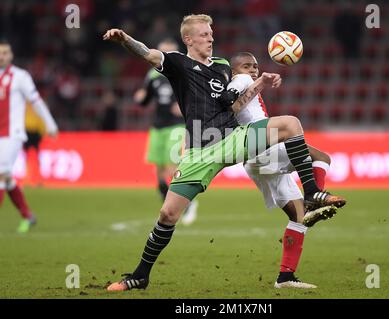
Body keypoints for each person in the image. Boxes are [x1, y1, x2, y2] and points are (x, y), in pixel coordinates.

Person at [103, 14, 346, 291]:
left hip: (232, 137)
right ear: (189, 39)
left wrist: (259, 84)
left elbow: (234, 106)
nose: (211, 38)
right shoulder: (177, 63)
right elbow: (147, 53)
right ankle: (140, 276)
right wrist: (124, 40)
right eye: (205, 34)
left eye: (211, 33)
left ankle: (312, 192)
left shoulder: (221, 67)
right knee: (167, 214)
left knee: (290, 124)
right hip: (199, 149)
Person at [227, 51, 336, 288]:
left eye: (255, 66)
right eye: (247, 66)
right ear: (235, 70)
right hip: (263, 147)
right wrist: (244, 83)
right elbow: (233, 94)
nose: (253, 71)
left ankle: (285, 278)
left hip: (253, 160)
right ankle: (315, 193)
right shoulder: (242, 80)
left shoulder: (250, 83)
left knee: (298, 217)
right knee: (321, 156)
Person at [134, 38, 198, 226]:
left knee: (171, 168)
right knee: (160, 173)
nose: (165, 57)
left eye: (170, 53)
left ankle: (189, 203)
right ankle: (168, 210)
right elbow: (145, 100)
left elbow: (198, 96)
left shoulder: (184, 73)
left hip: (177, 126)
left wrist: (185, 107)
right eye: (162, 53)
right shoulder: (152, 75)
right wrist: (140, 98)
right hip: (158, 127)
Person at [0, 38, 58, 233]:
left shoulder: (20, 76)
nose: (2, 56)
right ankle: (27, 215)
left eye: (5, 52)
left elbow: (36, 101)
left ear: (11, 55)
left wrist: (49, 123)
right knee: (6, 178)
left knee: (1, 173)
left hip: (13, 134)